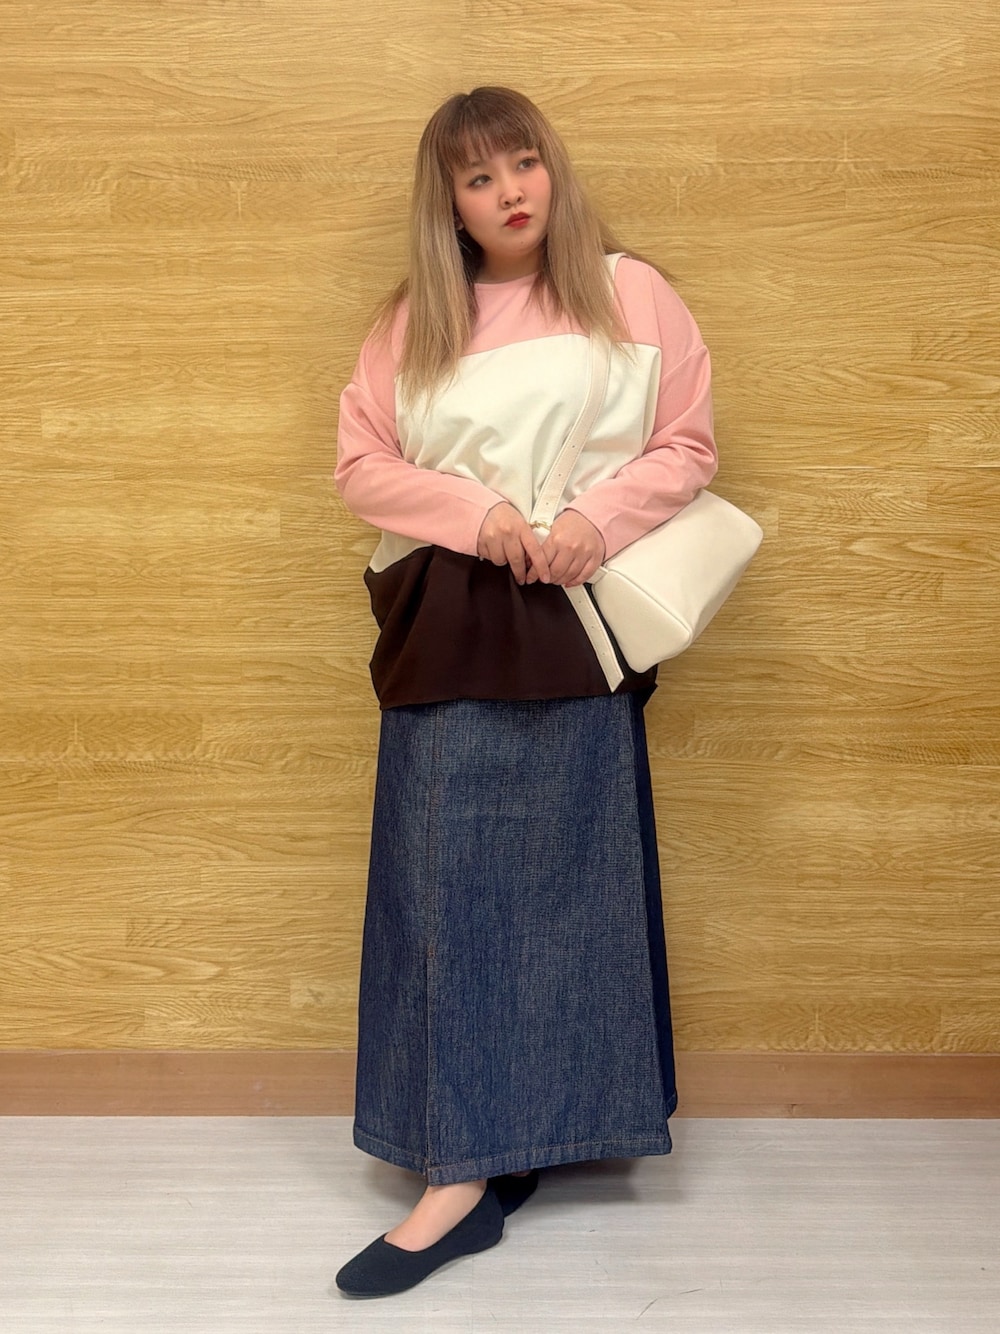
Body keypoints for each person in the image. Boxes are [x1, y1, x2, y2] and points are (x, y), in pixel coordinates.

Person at [333, 85, 718, 1299]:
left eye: (523, 162)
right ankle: (458, 1170)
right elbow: (360, 464)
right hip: (453, 617)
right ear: (447, 202)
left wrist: (594, 517)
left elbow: (687, 445)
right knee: (442, 889)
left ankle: (528, 1134)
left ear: (552, 167)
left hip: (579, 615)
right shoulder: (414, 320)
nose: (508, 191)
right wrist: (480, 510)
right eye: (478, 176)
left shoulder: (631, 292)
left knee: (571, 886)